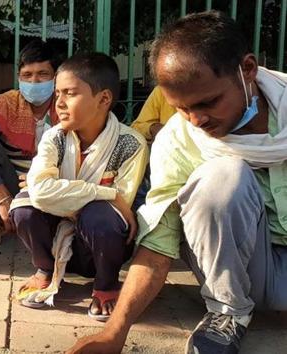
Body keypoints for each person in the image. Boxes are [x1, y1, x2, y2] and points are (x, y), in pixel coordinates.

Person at [67, 11, 287, 354]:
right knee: (222, 176)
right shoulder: (177, 140)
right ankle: (227, 312)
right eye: (181, 108)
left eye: (208, 102)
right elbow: (159, 242)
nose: (197, 120)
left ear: (247, 70)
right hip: (248, 274)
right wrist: (115, 331)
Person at [9, 53, 148, 319]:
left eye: (69, 93)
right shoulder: (54, 137)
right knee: (24, 207)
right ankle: (45, 269)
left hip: (101, 248)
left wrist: (63, 195)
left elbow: (120, 209)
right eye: (57, 93)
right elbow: (39, 191)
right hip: (57, 239)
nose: (59, 103)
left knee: (102, 215)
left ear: (103, 99)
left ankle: (106, 285)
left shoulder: (131, 144)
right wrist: (103, 192)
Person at [0, 39, 60, 246]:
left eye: (43, 74)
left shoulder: (65, 103)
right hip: (12, 182)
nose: (34, 82)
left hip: (53, 184)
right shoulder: (7, 102)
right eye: (27, 75)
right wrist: (2, 197)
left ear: (55, 77)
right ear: (18, 78)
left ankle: (54, 222)